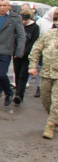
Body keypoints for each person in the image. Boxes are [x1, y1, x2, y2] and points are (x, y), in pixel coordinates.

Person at [28, 10, 58, 139]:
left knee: (56, 101)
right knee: (46, 100)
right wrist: (32, 66)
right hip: (46, 73)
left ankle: (50, 125)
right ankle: (55, 118)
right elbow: (36, 49)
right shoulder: (48, 35)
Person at [12, 7, 39, 106]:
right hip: (17, 54)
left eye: (25, 20)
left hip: (27, 56)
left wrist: (25, 52)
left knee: (23, 75)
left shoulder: (34, 27)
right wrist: (15, 51)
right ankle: (17, 92)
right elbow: (14, 39)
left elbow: (34, 42)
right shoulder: (18, 26)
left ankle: (19, 95)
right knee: (17, 74)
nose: (23, 22)